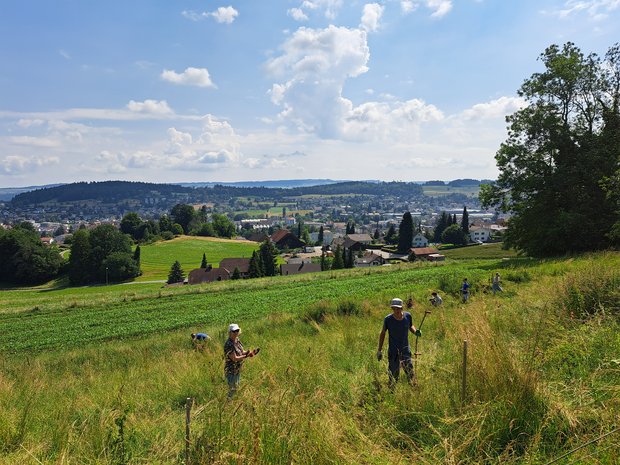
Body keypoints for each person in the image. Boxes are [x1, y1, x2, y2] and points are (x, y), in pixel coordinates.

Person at [377, 298, 421, 386]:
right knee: (393, 372)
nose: (396, 310)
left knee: (409, 370)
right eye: (394, 308)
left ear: (402, 308)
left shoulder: (407, 316)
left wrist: (415, 331)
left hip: (405, 348)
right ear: (392, 308)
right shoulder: (388, 319)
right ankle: (392, 388)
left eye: (398, 308)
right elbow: (383, 333)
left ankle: (413, 386)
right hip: (393, 350)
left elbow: (410, 326)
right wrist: (379, 350)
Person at [224, 323, 259, 398]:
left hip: (237, 368)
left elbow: (242, 352)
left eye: (237, 330)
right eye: (234, 331)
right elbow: (234, 358)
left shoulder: (237, 340)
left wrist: (249, 352)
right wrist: (246, 356)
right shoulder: (229, 344)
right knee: (232, 390)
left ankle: (231, 403)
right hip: (231, 370)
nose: (236, 332)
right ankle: (228, 404)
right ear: (230, 332)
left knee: (236, 387)